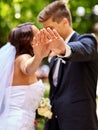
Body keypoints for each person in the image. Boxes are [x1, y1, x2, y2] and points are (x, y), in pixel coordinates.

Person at [36, 1, 98, 130]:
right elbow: (55, 95)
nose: (47, 34)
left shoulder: (87, 40)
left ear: (64, 22)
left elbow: (83, 48)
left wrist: (64, 48)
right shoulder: (53, 57)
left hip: (80, 123)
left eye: (51, 29)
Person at [0, 22, 49, 130]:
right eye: (38, 33)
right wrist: (38, 56)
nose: (42, 34)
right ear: (30, 41)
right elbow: (28, 68)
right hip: (16, 124)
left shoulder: (15, 61)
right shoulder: (23, 58)